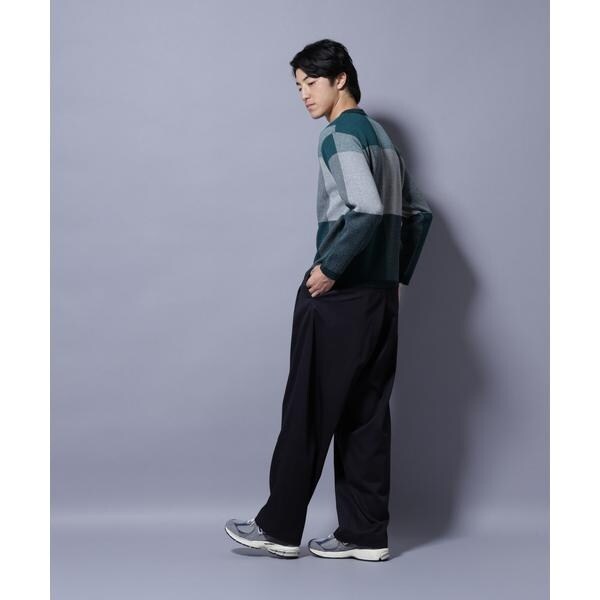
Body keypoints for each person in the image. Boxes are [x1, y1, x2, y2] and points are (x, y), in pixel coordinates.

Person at [225, 39, 433, 561]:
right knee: (367, 415)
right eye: (298, 85)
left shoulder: (339, 135)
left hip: (339, 299)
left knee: (308, 409)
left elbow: (366, 209)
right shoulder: (382, 137)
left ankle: (278, 528)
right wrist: (395, 277)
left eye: (311, 82)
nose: (303, 94)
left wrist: (331, 267)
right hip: (380, 300)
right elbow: (418, 212)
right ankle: (364, 535)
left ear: (341, 79)